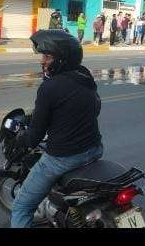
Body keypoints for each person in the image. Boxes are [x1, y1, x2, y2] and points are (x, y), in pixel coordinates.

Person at [9, 30, 103, 228]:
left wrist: (20, 141)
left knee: (21, 207)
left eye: (47, 56)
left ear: (61, 59)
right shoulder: (84, 76)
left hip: (63, 158)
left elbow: (35, 137)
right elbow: (94, 108)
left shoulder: (49, 88)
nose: (42, 61)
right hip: (94, 148)